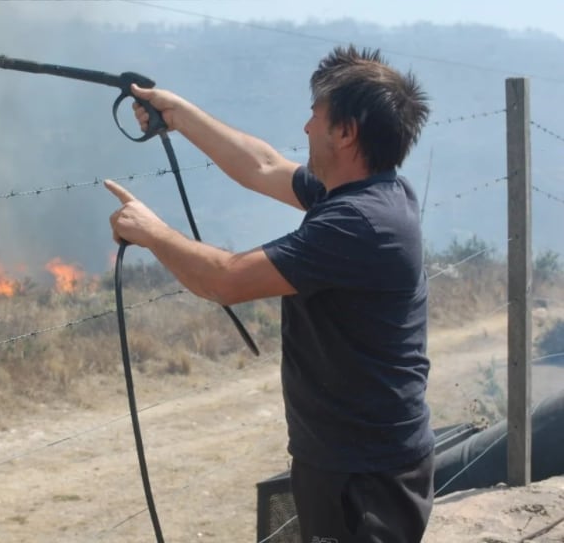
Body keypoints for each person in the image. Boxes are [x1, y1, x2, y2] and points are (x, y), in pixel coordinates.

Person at [105, 45, 434, 543]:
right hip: (352, 458)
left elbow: (226, 279)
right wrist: (179, 114)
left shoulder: (359, 224)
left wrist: (150, 231)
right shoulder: (371, 191)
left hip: (363, 476)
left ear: (345, 133)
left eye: (315, 117)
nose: (305, 129)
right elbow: (261, 165)